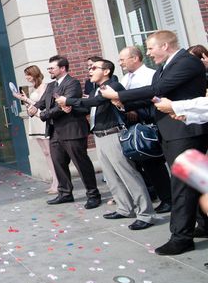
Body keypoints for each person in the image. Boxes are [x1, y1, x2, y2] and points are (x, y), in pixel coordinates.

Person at [100, 31, 208, 255]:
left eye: (150, 48)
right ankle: (204, 225)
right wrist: (123, 102)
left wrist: (119, 95)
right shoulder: (166, 66)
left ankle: (181, 237)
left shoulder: (186, 62)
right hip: (171, 131)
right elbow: (154, 98)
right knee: (194, 183)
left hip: (185, 131)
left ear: (165, 45)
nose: (148, 53)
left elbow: (158, 90)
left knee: (180, 186)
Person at [57, 59, 155, 230]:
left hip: (113, 134)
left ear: (106, 71)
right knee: (111, 177)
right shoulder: (96, 90)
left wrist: (70, 101)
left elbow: (96, 103)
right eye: (89, 68)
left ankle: (146, 214)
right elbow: (89, 109)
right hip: (100, 136)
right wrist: (70, 108)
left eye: (93, 68)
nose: (89, 71)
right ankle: (125, 208)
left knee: (128, 175)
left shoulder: (113, 86)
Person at [27, 55, 101, 209]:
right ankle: (65, 193)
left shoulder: (72, 83)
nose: (49, 70)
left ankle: (93, 195)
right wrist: (34, 107)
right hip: (55, 131)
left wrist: (43, 115)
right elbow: (43, 102)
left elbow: (63, 106)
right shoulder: (51, 86)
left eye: (51, 68)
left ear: (62, 68)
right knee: (58, 163)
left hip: (72, 129)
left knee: (81, 163)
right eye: (48, 68)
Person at [118, 46, 172, 213]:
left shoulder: (149, 75)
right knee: (143, 164)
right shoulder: (125, 78)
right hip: (132, 126)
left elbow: (154, 99)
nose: (121, 63)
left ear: (135, 58)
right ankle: (155, 193)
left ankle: (168, 199)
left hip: (149, 124)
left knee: (155, 164)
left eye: (123, 59)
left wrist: (134, 109)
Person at [13, 65, 58, 193]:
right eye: (26, 75)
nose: (27, 77)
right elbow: (34, 106)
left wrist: (26, 99)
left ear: (35, 74)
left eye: (29, 74)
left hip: (43, 121)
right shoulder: (33, 88)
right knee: (45, 153)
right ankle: (54, 181)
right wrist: (24, 100)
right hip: (35, 120)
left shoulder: (45, 87)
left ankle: (58, 182)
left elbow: (43, 105)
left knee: (50, 152)